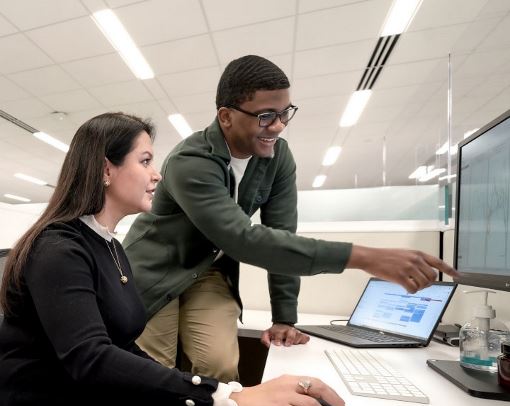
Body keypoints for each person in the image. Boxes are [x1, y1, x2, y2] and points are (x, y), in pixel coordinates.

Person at [0, 112, 352, 406]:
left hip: (100, 404)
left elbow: (123, 348)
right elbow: (91, 358)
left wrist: (225, 395)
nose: (157, 176)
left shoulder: (111, 247)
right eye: (145, 161)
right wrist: (226, 400)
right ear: (105, 170)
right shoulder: (59, 248)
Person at [124, 55, 459, 382]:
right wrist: (366, 257)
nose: (279, 126)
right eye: (266, 116)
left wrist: (285, 318)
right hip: (154, 269)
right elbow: (242, 239)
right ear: (226, 117)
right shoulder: (191, 160)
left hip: (209, 270)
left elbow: (280, 233)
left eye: (285, 113)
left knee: (221, 368)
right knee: (155, 373)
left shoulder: (277, 157)